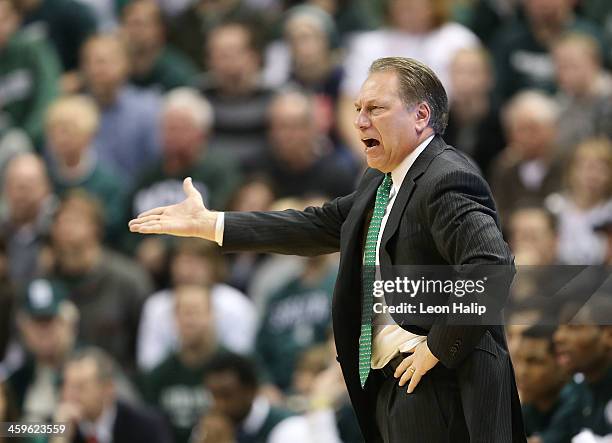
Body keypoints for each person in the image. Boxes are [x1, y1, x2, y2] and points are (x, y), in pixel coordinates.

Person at [130, 56, 525, 442]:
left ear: (421, 116)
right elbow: (316, 225)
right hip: (395, 384)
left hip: (442, 383)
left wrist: (439, 347)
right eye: (357, 108)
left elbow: (491, 267)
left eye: (375, 108)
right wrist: (213, 224)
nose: (359, 121)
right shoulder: (381, 180)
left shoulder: (447, 177)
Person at [51, 347, 173, 443]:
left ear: (108, 389)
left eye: (80, 387)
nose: (70, 395)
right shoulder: (54, 424)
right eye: (67, 386)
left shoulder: (147, 426)